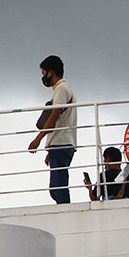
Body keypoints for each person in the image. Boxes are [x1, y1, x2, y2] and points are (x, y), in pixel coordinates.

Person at [28, 55, 77, 204]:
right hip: (61, 144)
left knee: (58, 187)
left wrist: (38, 139)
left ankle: (65, 212)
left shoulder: (61, 89)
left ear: (51, 72)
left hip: (61, 144)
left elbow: (55, 115)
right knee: (56, 186)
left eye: (44, 73)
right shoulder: (64, 89)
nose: (44, 77)